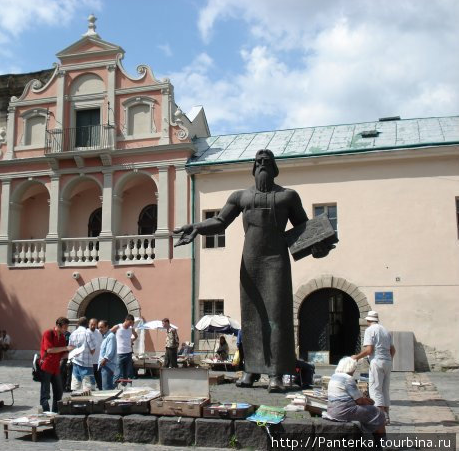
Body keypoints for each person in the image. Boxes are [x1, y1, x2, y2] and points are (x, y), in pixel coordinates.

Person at [174, 149, 333, 391]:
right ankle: (251, 370)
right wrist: (197, 227)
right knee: (251, 315)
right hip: (250, 260)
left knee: (277, 315)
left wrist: (319, 247)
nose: (262, 165)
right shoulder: (241, 197)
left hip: (277, 259)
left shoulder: (288, 196)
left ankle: (277, 374)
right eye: (258, 162)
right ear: (253, 167)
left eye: (266, 162)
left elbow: (305, 229)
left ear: (274, 167)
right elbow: (219, 222)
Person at [352, 310, 395, 425]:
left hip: (377, 361)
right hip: (387, 361)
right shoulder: (385, 330)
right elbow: (392, 349)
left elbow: (369, 350)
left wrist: (356, 357)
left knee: (375, 389)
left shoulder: (370, 330)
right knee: (385, 389)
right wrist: (389, 360)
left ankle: (381, 417)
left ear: (368, 320)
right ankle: (386, 415)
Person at [327, 356, 386, 437]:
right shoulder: (348, 379)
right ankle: (383, 443)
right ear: (351, 368)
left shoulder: (334, 376)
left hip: (332, 411)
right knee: (378, 412)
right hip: (343, 412)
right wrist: (371, 402)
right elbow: (360, 401)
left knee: (369, 412)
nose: (354, 370)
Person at [39, 317, 73, 412]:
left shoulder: (62, 337)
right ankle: (46, 411)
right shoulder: (48, 333)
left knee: (59, 391)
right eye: (65, 327)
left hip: (56, 367)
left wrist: (73, 353)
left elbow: (62, 354)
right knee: (45, 392)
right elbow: (49, 349)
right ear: (58, 326)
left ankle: (55, 412)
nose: (66, 329)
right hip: (46, 366)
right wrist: (66, 348)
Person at [68, 316, 96, 391]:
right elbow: (93, 349)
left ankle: (76, 402)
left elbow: (70, 349)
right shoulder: (88, 333)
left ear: (77, 324)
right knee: (88, 389)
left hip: (75, 363)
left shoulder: (72, 334)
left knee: (76, 388)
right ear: (87, 324)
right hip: (86, 364)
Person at [111, 314, 137, 384]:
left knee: (126, 372)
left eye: (132, 323)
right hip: (119, 353)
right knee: (118, 372)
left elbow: (136, 336)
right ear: (126, 320)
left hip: (128, 353)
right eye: (130, 322)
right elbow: (109, 333)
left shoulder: (131, 329)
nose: (130, 324)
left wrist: (132, 340)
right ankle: (114, 386)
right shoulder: (118, 327)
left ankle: (124, 386)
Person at [97, 320, 117, 390]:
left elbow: (109, 352)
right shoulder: (105, 336)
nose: (100, 329)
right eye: (98, 327)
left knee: (106, 389)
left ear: (107, 327)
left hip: (107, 366)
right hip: (104, 366)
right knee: (105, 387)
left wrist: (104, 360)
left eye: (101, 327)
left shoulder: (110, 336)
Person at [88, 318, 103, 390]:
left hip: (98, 360)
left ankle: (100, 390)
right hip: (89, 361)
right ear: (89, 324)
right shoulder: (86, 332)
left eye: (94, 325)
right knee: (90, 379)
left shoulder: (99, 332)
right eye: (91, 324)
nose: (93, 326)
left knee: (99, 378)